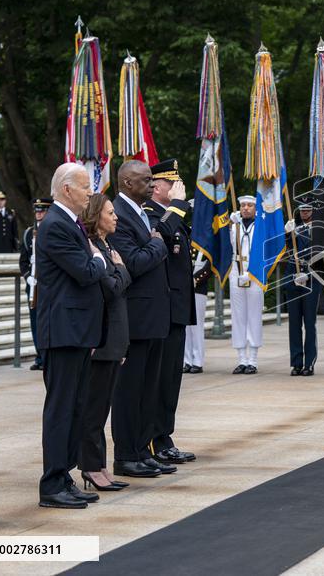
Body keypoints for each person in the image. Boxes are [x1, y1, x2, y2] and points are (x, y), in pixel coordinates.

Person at [36, 163, 107, 509]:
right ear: (66, 189)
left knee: (75, 407)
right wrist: (99, 261)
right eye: (84, 187)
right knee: (61, 409)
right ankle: (51, 484)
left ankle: (64, 476)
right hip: (63, 331)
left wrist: (94, 259)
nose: (90, 193)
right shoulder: (55, 226)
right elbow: (84, 271)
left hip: (77, 330)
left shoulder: (71, 223)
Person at [110, 160, 173, 478]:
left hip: (154, 315)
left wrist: (152, 242)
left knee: (149, 389)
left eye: (152, 180)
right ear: (126, 183)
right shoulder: (119, 216)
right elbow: (132, 263)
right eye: (146, 180)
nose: (152, 184)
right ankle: (125, 454)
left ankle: (142, 449)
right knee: (129, 390)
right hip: (135, 317)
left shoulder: (142, 212)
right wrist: (157, 244)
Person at [143, 159, 196, 466]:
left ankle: (164, 436)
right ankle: (151, 439)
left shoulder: (172, 214)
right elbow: (161, 237)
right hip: (160, 309)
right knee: (158, 379)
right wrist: (177, 206)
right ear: (158, 187)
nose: (178, 189)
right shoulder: (150, 215)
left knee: (171, 379)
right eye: (172, 184)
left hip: (176, 308)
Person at [78, 194, 132, 492]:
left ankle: (99, 464)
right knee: (94, 410)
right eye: (110, 213)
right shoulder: (94, 247)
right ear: (96, 216)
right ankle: (90, 466)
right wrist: (122, 269)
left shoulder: (107, 246)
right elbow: (111, 289)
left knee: (102, 409)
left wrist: (120, 270)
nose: (116, 217)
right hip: (102, 340)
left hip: (115, 338)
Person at [284, 196, 323, 376]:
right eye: (303, 209)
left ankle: (309, 362)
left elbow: (323, 258)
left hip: (312, 281)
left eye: (308, 210)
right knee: (294, 324)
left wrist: (306, 274)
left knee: (309, 323)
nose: (305, 212)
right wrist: (285, 234)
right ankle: (296, 362)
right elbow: (282, 254)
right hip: (293, 280)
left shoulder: (321, 230)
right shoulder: (292, 229)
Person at [229, 195, 264, 374]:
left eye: (250, 205)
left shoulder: (261, 225)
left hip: (255, 272)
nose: (246, 208)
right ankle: (241, 358)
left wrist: (251, 273)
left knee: (254, 316)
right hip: (236, 271)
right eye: (243, 205)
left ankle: (253, 359)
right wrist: (227, 223)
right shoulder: (234, 224)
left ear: (255, 208)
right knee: (238, 317)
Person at [20, 197, 52, 371]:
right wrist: (27, 277)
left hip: (48, 283)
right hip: (33, 284)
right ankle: (39, 356)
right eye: (37, 211)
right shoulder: (28, 233)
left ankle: (48, 355)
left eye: (42, 210)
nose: (39, 213)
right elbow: (23, 261)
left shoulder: (52, 230)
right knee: (35, 321)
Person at [184, 254, 211, 374]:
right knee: (185, 327)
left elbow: (209, 267)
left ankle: (198, 361)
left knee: (196, 327)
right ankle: (187, 360)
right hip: (184, 288)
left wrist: (195, 279)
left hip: (198, 288)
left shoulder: (205, 243)